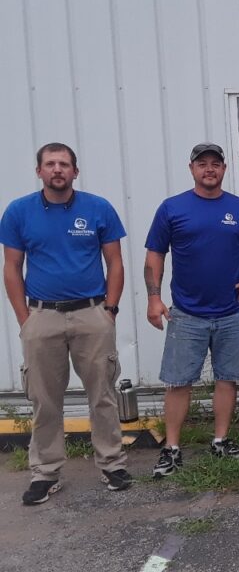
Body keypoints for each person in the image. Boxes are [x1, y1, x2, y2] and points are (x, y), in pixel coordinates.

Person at [2, 143, 132, 504]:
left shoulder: (97, 208)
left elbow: (115, 263)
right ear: (39, 171)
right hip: (42, 315)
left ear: (75, 171)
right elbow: (11, 267)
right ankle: (45, 473)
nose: (57, 169)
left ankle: (111, 464)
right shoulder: (18, 212)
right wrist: (24, 319)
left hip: (92, 314)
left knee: (102, 394)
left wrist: (110, 310)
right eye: (50, 164)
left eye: (64, 164)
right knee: (44, 400)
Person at [145, 143, 239, 477]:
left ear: (224, 169)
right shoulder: (172, 208)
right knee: (178, 382)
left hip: (232, 312)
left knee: (227, 378)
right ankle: (172, 448)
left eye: (216, 164)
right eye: (202, 164)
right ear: (191, 168)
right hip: (187, 312)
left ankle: (220, 440)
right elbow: (155, 254)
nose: (210, 169)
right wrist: (153, 297)